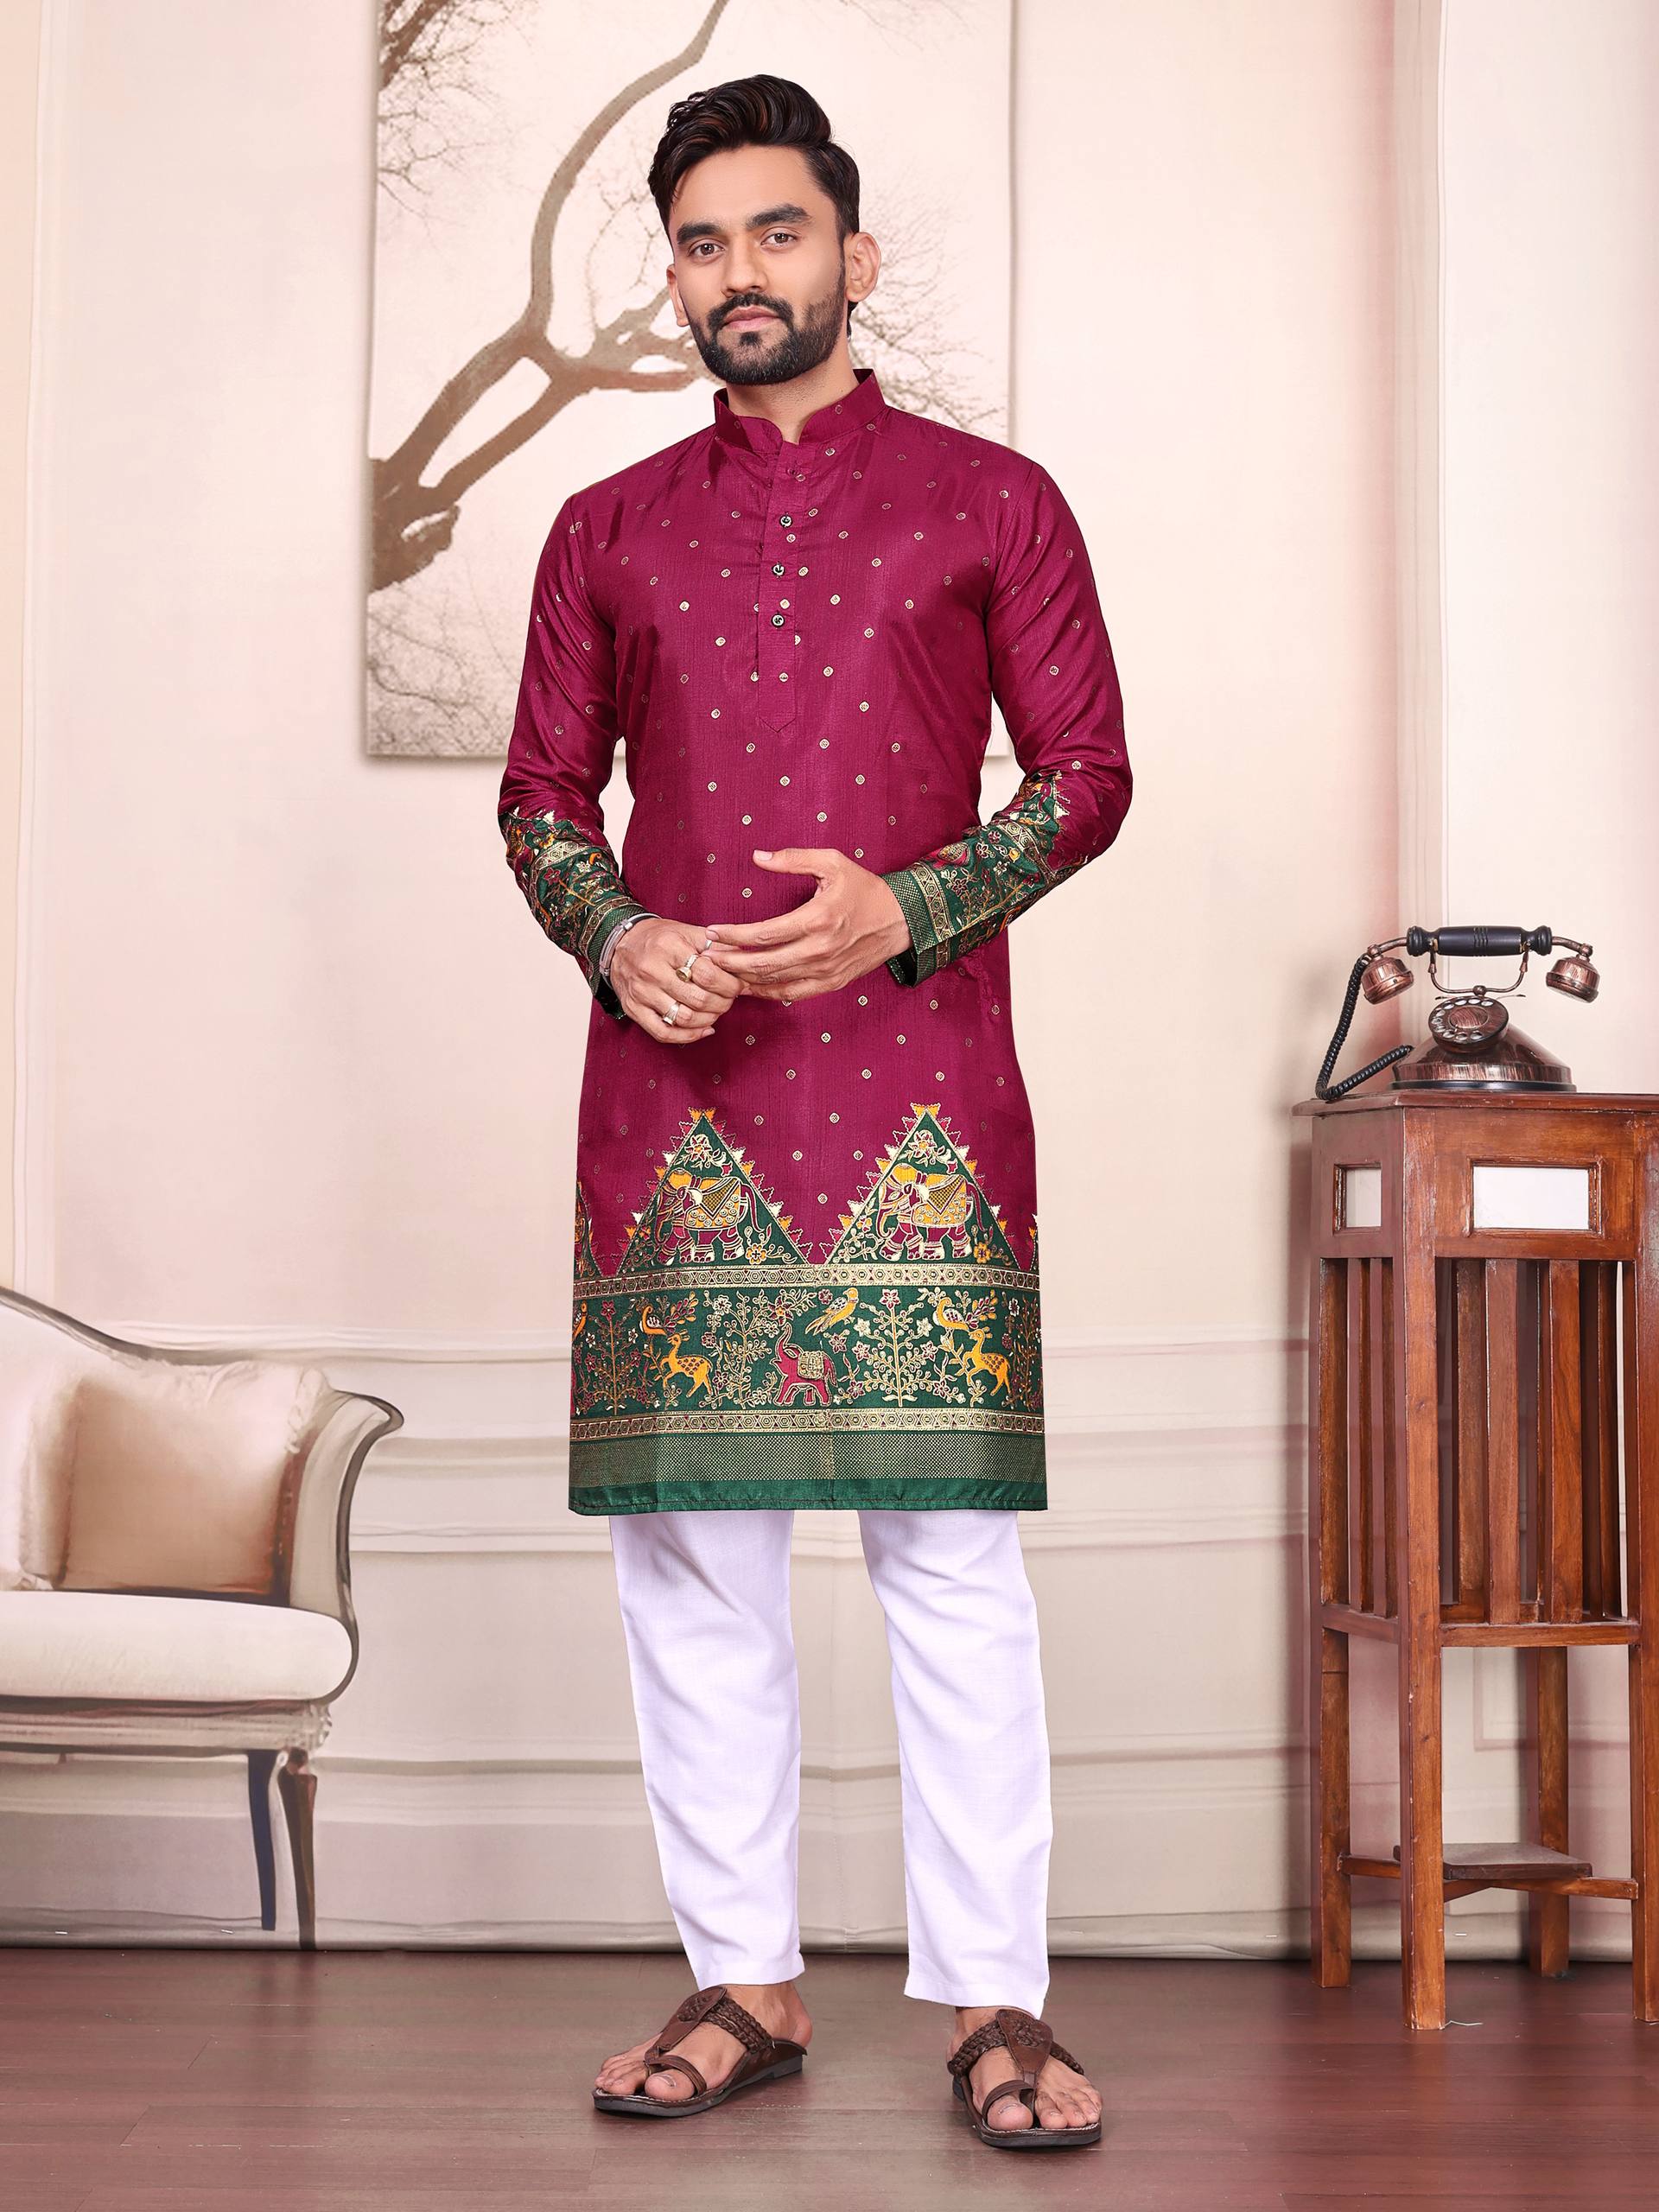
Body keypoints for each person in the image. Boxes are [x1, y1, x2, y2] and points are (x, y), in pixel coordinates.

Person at [496, 73, 1131, 2151]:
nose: (739, 271)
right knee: (697, 1565)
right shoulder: (604, 529)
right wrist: (615, 934)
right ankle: (742, 1981)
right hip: (677, 1102)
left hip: (919, 1096)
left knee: (948, 1560)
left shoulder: (992, 501)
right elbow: (540, 794)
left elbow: (1087, 775)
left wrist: (909, 908)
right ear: (676, 277)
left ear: (853, 256)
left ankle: (997, 2000)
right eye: (703, 242)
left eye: (776, 232)